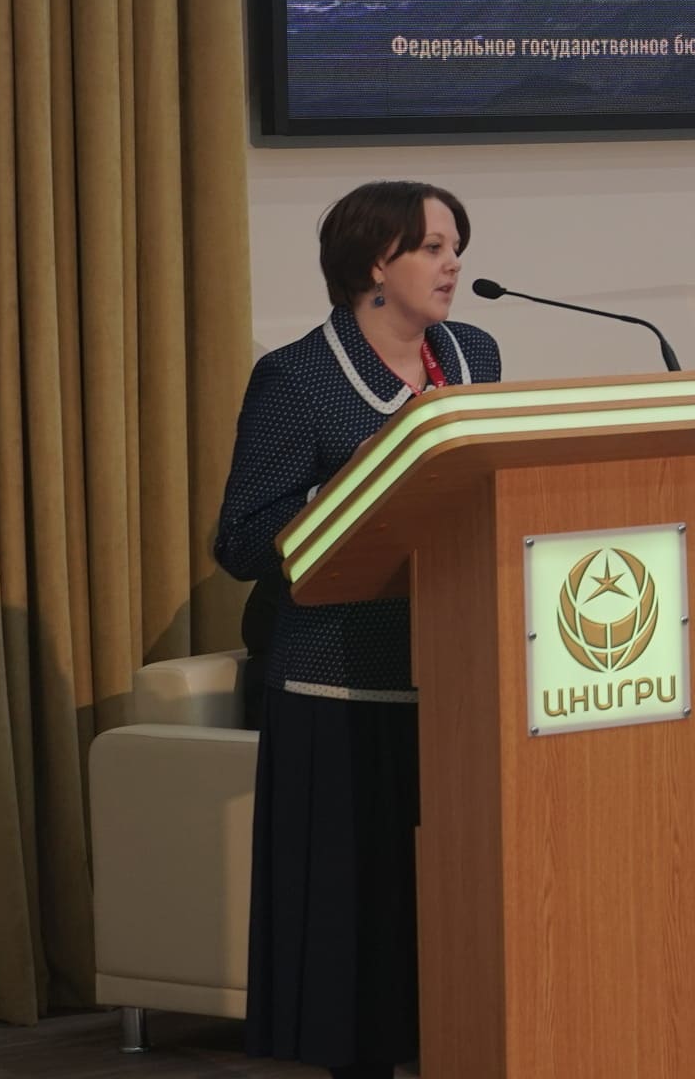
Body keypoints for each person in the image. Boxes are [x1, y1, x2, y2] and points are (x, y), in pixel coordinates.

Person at [213, 181, 498, 1079]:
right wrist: (360, 488)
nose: (454, 265)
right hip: (338, 685)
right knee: (355, 919)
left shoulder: (475, 354)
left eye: (455, 246)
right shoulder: (298, 377)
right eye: (433, 248)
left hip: (456, 677)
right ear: (377, 262)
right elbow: (242, 540)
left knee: (448, 905)